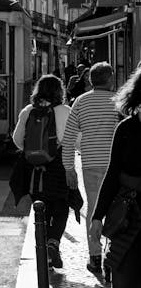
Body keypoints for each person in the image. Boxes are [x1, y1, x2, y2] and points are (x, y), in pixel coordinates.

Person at [11, 73, 81, 269]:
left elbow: (17, 140)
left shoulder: (28, 111)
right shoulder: (65, 111)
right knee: (60, 208)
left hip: (34, 171)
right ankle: (53, 243)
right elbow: (76, 141)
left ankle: (44, 257)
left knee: (39, 212)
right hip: (59, 167)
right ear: (59, 91)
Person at [62, 61, 118, 277]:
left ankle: (95, 258)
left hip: (91, 165)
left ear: (90, 80)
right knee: (117, 210)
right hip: (114, 166)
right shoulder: (117, 102)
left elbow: (67, 140)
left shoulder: (80, 103)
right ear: (110, 78)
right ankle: (112, 257)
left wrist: (69, 168)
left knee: (94, 211)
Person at [90, 66, 141, 287]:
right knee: (125, 277)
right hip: (129, 216)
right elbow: (112, 175)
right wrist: (96, 217)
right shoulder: (126, 128)